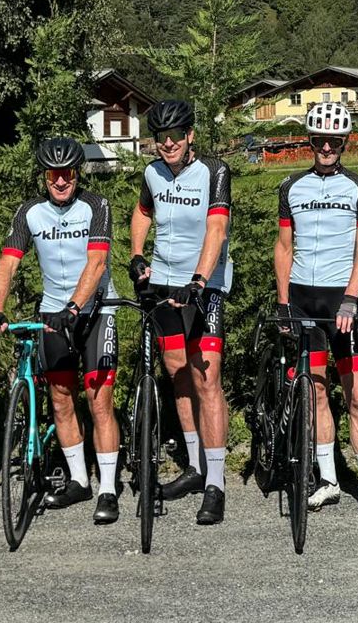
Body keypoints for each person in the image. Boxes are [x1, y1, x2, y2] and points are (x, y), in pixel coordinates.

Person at [0, 137, 122, 524]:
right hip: (53, 313)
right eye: (53, 175)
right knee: (61, 398)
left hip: (95, 308)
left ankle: (108, 488)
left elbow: (96, 263)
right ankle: (79, 480)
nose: (60, 181)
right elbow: (7, 263)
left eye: (67, 174)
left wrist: (74, 307)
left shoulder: (96, 205)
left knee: (99, 400)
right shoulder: (30, 213)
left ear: (77, 174)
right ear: (44, 176)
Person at [276, 102, 358, 521]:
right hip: (302, 299)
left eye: (334, 140)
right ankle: (329, 480)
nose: (326, 146)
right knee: (314, 391)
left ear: (345, 142)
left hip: (340, 301)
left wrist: (351, 295)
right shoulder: (291, 186)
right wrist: (282, 303)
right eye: (319, 140)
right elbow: (283, 247)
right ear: (310, 141)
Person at [129, 99, 233, 525]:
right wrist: (137, 253)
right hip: (163, 284)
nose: (168, 144)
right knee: (177, 372)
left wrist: (200, 280)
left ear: (191, 135)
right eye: (161, 137)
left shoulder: (214, 171)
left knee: (207, 379)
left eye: (176, 136)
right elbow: (142, 211)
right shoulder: (152, 172)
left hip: (203, 286)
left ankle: (217, 483)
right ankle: (194, 467)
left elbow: (217, 227)